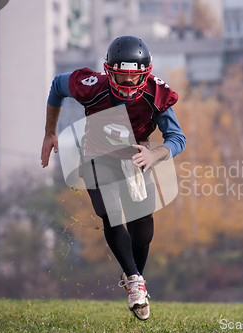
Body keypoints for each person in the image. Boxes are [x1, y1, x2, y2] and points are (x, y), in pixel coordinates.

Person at [40, 36, 186, 320]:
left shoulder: (156, 95)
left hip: (136, 158)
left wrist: (155, 155)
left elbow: (177, 138)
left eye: (134, 78)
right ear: (108, 71)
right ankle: (134, 281)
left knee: (143, 231)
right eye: (121, 76)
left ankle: (135, 281)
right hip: (96, 155)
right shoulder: (91, 86)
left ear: (147, 73)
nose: (129, 84)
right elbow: (57, 85)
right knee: (110, 211)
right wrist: (49, 131)